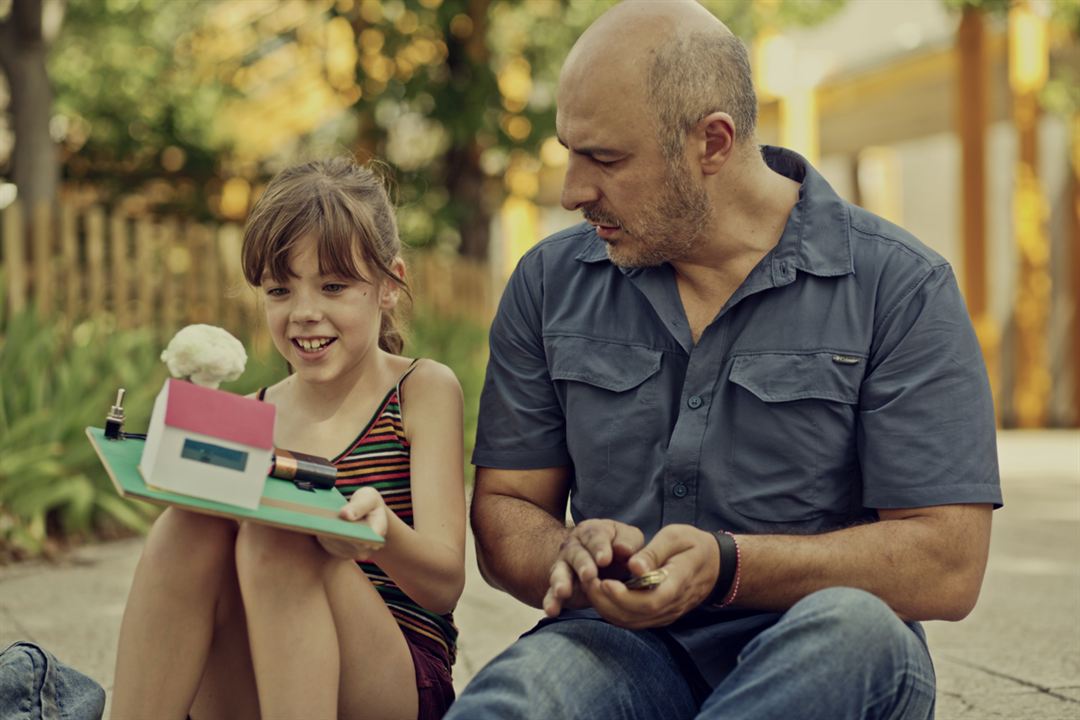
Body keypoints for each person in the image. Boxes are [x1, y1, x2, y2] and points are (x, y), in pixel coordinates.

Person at [447, 2, 1002, 719]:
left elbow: (949, 562)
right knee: (517, 698)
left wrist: (729, 567)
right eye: (571, 153)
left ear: (712, 142)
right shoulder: (551, 282)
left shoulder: (899, 287)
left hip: (813, 646)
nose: (573, 191)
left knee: (859, 632)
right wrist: (572, 554)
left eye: (607, 159)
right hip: (613, 646)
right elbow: (508, 506)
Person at [111, 157, 466, 720]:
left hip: (394, 676)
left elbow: (445, 585)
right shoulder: (253, 413)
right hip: (268, 679)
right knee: (187, 527)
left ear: (389, 285)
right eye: (280, 290)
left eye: (333, 286)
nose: (304, 313)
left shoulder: (420, 390)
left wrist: (381, 535)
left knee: (278, 536)